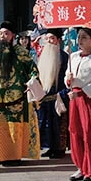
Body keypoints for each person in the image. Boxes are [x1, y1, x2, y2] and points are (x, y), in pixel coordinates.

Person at [0, 21, 40, 166]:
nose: (3, 36)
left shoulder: (21, 52)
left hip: (16, 97)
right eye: (1, 33)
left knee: (14, 127)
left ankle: (14, 156)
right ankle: (1, 155)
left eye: (6, 33)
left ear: (12, 35)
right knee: (0, 127)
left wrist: (32, 82)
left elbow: (33, 70)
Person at [66, 27, 91, 181]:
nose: (80, 41)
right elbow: (67, 78)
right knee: (76, 132)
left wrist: (82, 92)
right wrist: (68, 80)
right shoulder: (74, 56)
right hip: (74, 99)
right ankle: (80, 167)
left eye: (84, 37)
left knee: (89, 133)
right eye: (79, 37)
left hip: (88, 98)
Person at [35, 30, 69, 160]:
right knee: (46, 123)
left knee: (58, 124)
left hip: (58, 97)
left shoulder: (64, 57)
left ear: (58, 40)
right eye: (47, 38)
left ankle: (59, 149)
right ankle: (49, 147)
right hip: (44, 97)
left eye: (52, 38)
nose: (49, 41)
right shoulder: (41, 56)